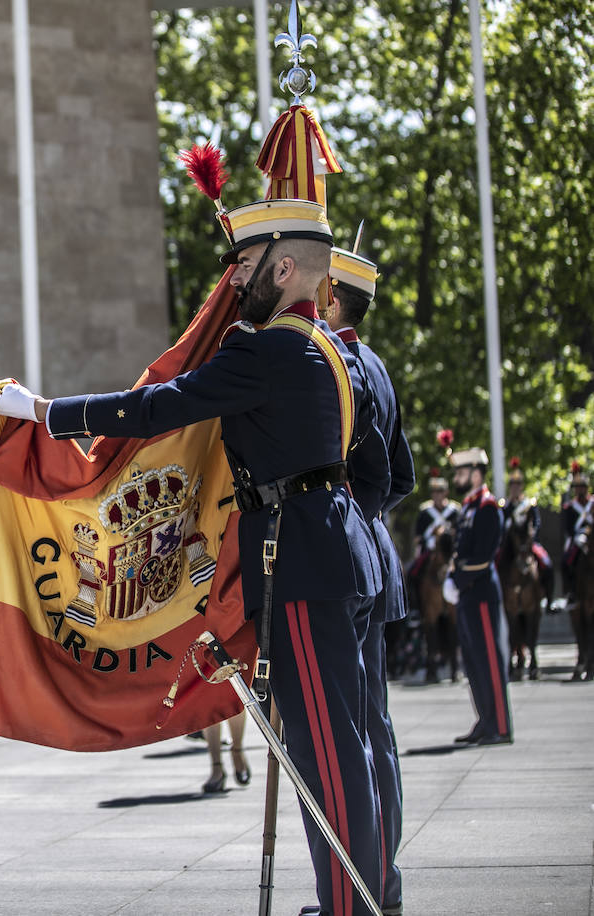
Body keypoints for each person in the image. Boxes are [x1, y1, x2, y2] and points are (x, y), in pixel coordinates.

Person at [0, 200, 387, 916]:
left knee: (325, 755)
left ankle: (350, 909)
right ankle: (365, 898)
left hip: (301, 560)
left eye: (244, 266)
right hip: (343, 551)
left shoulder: (268, 350)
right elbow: (378, 473)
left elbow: (157, 408)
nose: (234, 282)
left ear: (285, 267)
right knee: (351, 743)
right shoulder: (334, 351)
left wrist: (49, 413)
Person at [325, 245, 414, 916]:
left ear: (329, 297)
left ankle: (369, 886)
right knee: (374, 727)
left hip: (346, 554)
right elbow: (402, 477)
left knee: (354, 732)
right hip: (376, 551)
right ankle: (383, 880)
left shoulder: (339, 362)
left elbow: (377, 466)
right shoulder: (378, 365)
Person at [446, 448, 514, 745]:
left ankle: (500, 725)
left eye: (461, 473)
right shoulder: (469, 507)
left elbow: (484, 556)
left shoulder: (488, 507)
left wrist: (458, 579)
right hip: (468, 596)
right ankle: (485, 720)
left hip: (482, 593)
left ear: (475, 473)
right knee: (473, 662)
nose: (457, 479)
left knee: (490, 660)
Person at [502, 460, 553, 605]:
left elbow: (537, 523)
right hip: (510, 545)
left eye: (518, 484)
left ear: (522, 486)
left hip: (529, 543)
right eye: (512, 484)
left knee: (547, 563)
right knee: (496, 563)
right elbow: (502, 525)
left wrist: (532, 537)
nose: (515, 487)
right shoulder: (505, 506)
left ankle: (549, 600)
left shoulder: (529, 505)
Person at [561, 463, 591, 599]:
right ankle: (570, 592)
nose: (579, 490)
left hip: (592, 537)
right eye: (577, 487)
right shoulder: (570, 507)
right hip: (578, 539)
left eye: (582, 487)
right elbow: (568, 528)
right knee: (566, 561)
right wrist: (578, 536)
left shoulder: (592, 505)